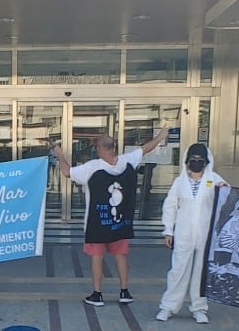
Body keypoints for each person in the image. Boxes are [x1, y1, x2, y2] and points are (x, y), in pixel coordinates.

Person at [53, 126, 169, 306]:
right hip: (120, 223)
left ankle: (97, 295)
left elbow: (67, 172)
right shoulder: (127, 161)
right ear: (113, 147)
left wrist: (60, 155)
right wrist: (161, 136)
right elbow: (147, 148)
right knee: (121, 256)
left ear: (99, 149)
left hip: (96, 223)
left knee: (97, 257)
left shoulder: (92, 167)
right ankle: (124, 292)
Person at [155, 142, 226, 324]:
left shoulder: (215, 180)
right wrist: (168, 231)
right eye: (192, 159)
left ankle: (199, 308)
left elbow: (227, 202)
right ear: (187, 161)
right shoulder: (179, 182)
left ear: (206, 161)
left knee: (201, 272)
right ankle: (168, 307)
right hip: (183, 233)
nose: (196, 162)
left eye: (200, 159)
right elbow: (170, 207)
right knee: (178, 270)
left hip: (206, 234)